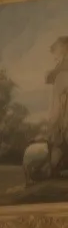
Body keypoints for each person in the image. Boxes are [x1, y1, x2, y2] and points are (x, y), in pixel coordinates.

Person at [46, 34, 68, 178]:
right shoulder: (60, 73)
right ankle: (55, 169)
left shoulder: (62, 74)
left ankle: (55, 169)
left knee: (59, 140)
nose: (55, 58)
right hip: (59, 118)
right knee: (58, 141)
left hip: (61, 118)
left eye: (57, 53)